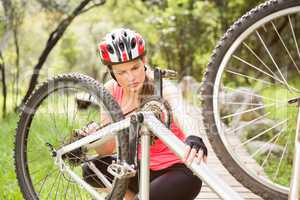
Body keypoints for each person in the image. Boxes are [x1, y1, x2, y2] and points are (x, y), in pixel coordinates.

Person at [81, 28, 208, 200]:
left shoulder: (161, 85)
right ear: (111, 72)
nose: (130, 77)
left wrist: (193, 135)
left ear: (144, 61)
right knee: (91, 169)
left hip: (176, 171)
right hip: (139, 169)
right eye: (121, 72)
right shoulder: (110, 91)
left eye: (135, 68)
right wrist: (96, 138)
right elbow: (108, 148)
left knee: (186, 181)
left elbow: (181, 109)